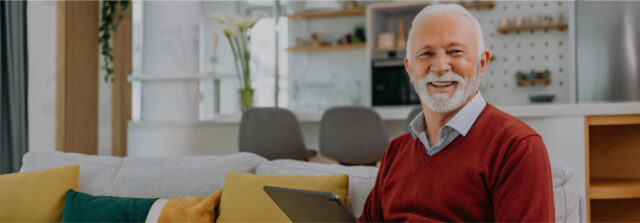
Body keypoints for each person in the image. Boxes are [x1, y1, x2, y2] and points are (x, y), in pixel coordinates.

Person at [359, 4, 555, 222]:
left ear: (482, 64)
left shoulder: (517, 147)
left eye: (455, 52)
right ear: (409, 69)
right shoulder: (396, 151)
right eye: (426, 53)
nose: (440, 66)